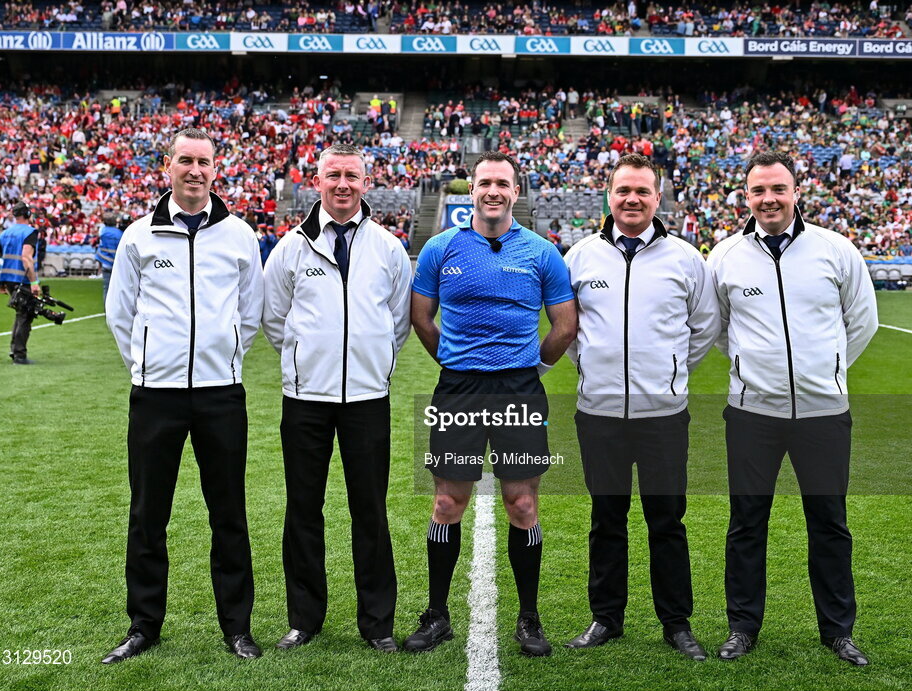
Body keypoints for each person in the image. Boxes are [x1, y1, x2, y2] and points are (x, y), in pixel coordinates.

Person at [707, 151, 878, 666]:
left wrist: (823, 371)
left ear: (796, 191)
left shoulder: (835, 249)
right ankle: (742, 627)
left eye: (778, 189)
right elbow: (716, 329)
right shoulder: (726, 256)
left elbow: (862, 321)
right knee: (746, 522)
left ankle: (837, 630)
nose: (769, 199)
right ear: (746, 196)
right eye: (758, 191)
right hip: (752, 412)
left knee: (828, 520)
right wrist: (751, 366)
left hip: (824, 412)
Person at [406, 151, 577, 657]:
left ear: (515, 192)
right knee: (446, 502)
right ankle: (437, 615)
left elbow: (564, 326)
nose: (493, 191)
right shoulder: (440, 248)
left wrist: (533, 369)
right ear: (472, 190)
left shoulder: (543, 253)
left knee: (522, 504)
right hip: (458, 389)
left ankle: (529, 618)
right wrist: (456, 363)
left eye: (503, 183)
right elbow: (422, 318)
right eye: (485, 183)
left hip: (519, 390)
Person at [103, 128, 264, 663]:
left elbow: (251, 311)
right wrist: (149, 365)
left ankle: (237, 628)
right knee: (149, 514)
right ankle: (144, 625)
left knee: (229, 514)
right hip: (156, 396)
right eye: (185, 161)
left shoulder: (240, 235)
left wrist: (224, 358)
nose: (195, 170)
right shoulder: (138, 235)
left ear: (216, 169)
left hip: (221, 395)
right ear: (167, 166)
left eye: (204, 162)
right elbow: (120, 312)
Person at [561, 154, 720, 659]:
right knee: (606, 517)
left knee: (667, 520)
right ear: (609, 195)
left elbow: (705, 327)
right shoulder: (580, 256)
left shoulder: (685, 257)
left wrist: (669, 373)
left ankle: (676, 623)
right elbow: (568, 330)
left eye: (642, 192)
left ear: (657, 198)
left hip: (663, 416)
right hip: (600, 413)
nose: (632, 199)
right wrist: (591, 365)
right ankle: (606, 618)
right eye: (623, 190)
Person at [262, 143, 412, 654]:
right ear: (318, 182)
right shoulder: (290, 247)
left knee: (368, 510)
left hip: (368, 399)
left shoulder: (388, 248)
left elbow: (397, 322)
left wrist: (368, 362)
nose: (342, 184)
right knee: (303, 509)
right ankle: (305, 619)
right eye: (333, 175)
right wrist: (311, 359)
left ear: (366, 182)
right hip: (305, 399)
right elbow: (275, 320)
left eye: (351, 175)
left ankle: (377, 623)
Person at [0, 202, 40, 364]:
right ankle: (19, 354)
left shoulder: (5, 233)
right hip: (23, 280)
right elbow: (26, 258)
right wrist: (34, 282)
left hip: (8, 279)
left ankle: (15, 349)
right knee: (25, 316)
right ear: (27, 214)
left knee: (20, 314)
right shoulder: (30, 232)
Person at [95, 212, 123, 303]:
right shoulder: (119, 233)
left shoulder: (103, 231)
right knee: (119, 288)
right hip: (116, 265)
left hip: (105, 263)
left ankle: (107, 309)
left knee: (106, 289)